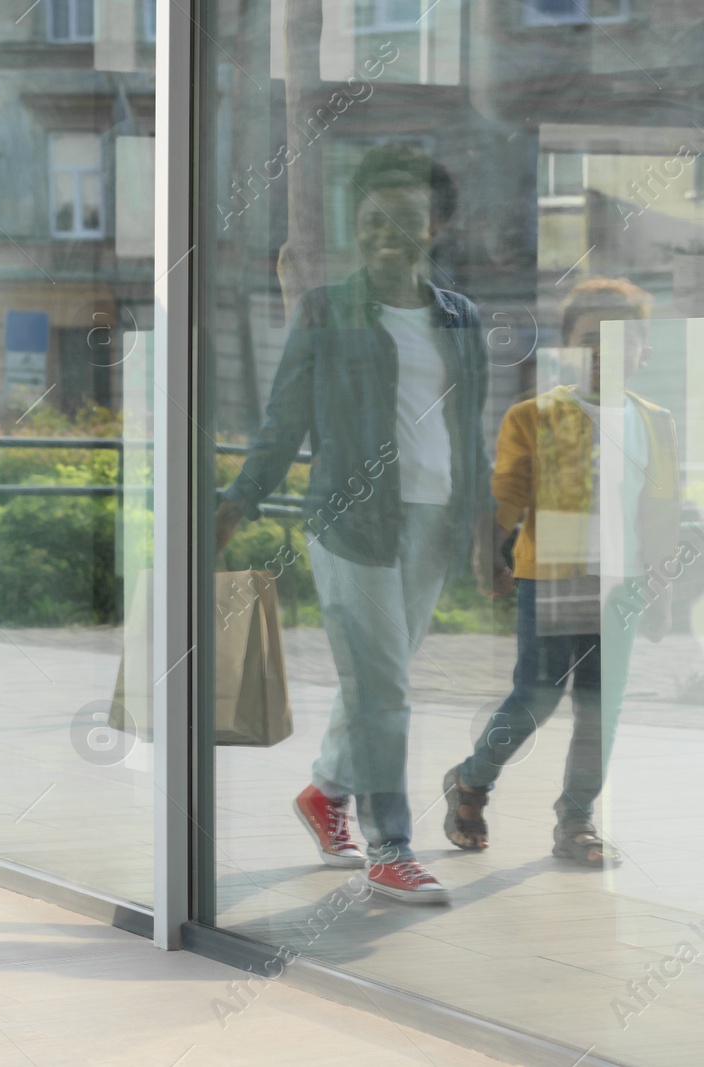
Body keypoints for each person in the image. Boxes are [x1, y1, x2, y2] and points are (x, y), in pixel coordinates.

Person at [215, 144, 507, 905]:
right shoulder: (327, 311)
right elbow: (284, 422)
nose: (387, 233)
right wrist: (234, 504)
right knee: (382, 686)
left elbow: (470, 436)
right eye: (373, 220)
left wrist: (484, 537)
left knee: (382, 679)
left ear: (432, 228)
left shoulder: (459, 317)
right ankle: (392, 846)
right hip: (351, 522)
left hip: (432, 524)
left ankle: (324, 791)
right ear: (358, 228)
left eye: (405, 220)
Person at [444, 278, 678, 868]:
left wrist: (662, 588)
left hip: (620, 585)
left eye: (621, 338)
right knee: (537, 697)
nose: (605, 350)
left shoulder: (657, 423)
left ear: (644, 351)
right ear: (569, 347)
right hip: (551, 576)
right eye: (589, 338)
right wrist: (489, 554)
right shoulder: (537, 414)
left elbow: (660, 510)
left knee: (602, 708)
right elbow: (508, 493)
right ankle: (471, 782)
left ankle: (577, 820)